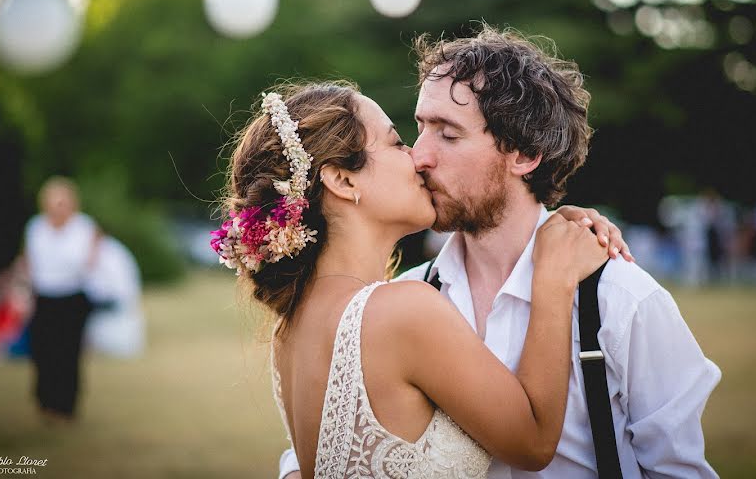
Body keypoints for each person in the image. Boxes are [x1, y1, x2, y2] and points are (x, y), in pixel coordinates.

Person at [280, 25, 721, 478]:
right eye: (419, 129)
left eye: (448, 135)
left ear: (525, 155)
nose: (420, 155)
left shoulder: (621, 301)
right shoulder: (406, 295)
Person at [217, 83, 628, 478]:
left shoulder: (291, 327)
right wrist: (553, 276)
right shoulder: (402, 310)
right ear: (343, 180)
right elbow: (534, 444)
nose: (417, 157)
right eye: (396, 142)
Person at [23, 176, 100, 422]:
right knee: (43, 352)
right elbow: (31, 262)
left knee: (68, 352)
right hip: (44, 297)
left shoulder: (83, 227)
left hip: (72, 297)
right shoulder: (35, 227)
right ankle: (45, 400)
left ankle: (67, 404)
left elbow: (85, 262)